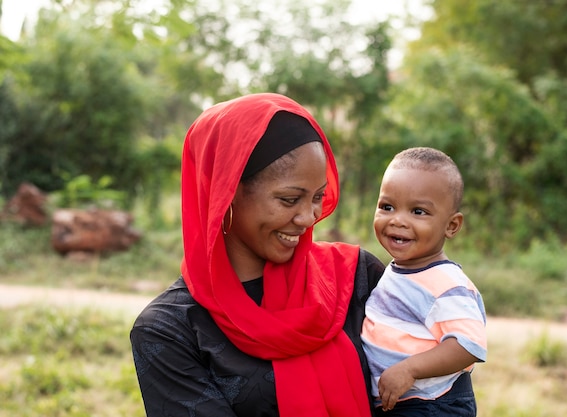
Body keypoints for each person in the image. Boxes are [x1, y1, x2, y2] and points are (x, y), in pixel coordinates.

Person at [130, 93, 385, 417]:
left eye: (317, 196)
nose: (309, 218)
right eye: (290, 199)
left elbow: (429, 394)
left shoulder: (356, 277)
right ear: (227, 191)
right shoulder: (170, 331)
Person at [361, 147, 487, 416]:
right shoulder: (398, 271)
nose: (398, 220)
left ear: (451, 226)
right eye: (387, 207)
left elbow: (468, 345)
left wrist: (409, 369)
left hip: (432, 404)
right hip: (400, 402)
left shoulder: (445, 282)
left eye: (418, 212)